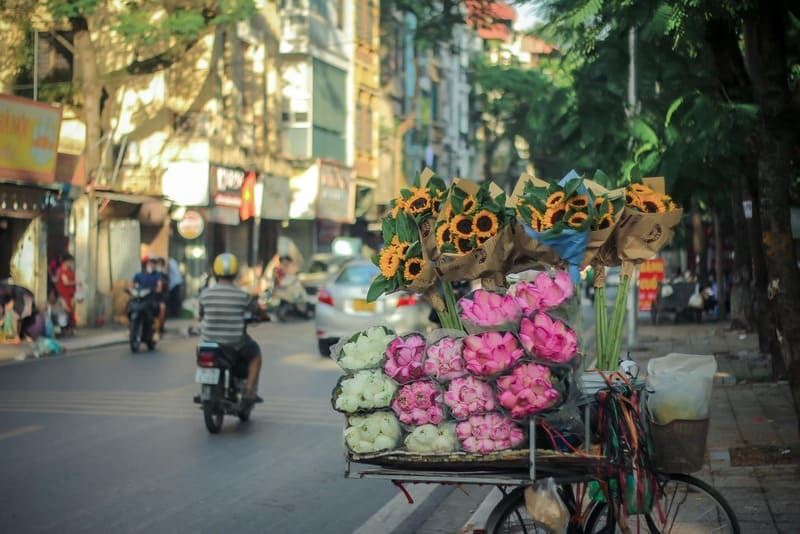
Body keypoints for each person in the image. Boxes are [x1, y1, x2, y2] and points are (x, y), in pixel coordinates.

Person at [199, 253, 263, 403]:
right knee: (256, 355)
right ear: (235, 274)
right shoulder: (242, 295)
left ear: (215, 272)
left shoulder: (205, 294)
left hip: (207, 342)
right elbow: (255, 310)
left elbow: (201, 314)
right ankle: (248, 390)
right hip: (234, 343)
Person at [54, 254, 77, 333]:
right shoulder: (62, 271)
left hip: (70, 294)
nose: (71, 263)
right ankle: (66, 328)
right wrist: (76, 282)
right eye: (70, 262)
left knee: (70, 311)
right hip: (64, 294)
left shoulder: (69, 270)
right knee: (67, 311)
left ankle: (70, 328)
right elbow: (65, 282)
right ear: (66, 262)